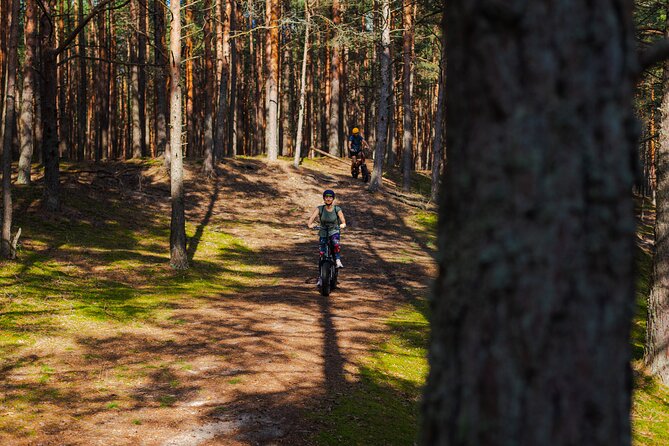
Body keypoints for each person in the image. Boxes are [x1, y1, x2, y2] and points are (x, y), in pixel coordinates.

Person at [307, 189, 347, 287]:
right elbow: (312, 218)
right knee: (322, 254)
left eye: (330, 197)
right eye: (326, 197)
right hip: (323, 232)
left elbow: (342, 220)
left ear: (333, 199)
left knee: (335, 243)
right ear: (324, 199)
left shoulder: (337, 209)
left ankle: (337, 260)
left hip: (334, 231)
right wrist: (310, 224)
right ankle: (321, 277)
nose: (328, 199)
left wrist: (342, 224)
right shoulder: (320, 208)